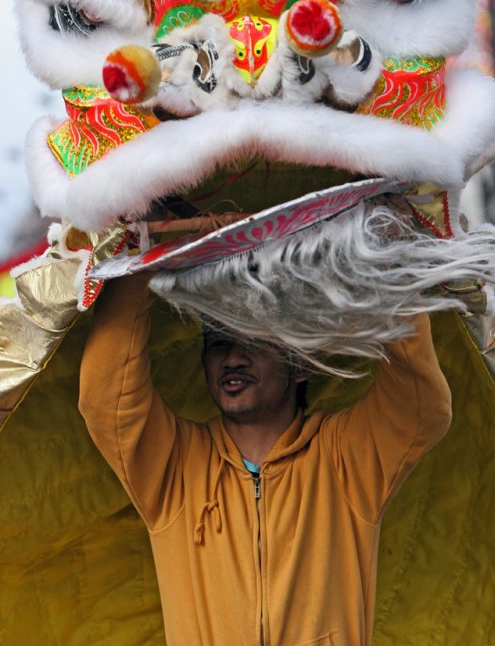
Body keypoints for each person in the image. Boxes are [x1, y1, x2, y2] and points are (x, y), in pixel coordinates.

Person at [79, 273, 452, 646]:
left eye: (255, 340)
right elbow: (106, 398)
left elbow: (419, 406)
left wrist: (390, 266)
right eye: (219, 342)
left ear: (302, 362)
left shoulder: (345, 458)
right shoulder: (174, 463)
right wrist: (137, 266)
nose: (233, 358)